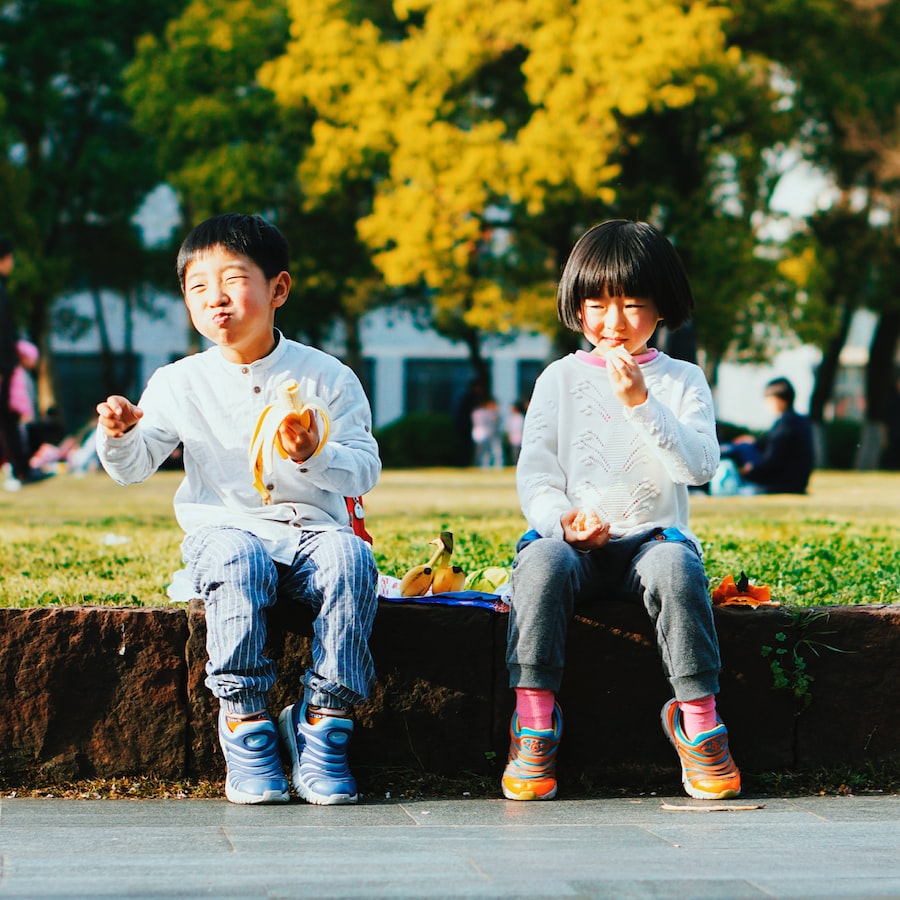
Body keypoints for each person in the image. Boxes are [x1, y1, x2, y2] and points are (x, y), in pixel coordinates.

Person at [96, 214, 381, 806]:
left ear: (278, 289)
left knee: (350, 559)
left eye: (233, 280)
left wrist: (314, 453)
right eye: (198, 287)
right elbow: (133, 467)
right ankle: (246, 723)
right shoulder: (178, 382)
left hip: (310, 531)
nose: (216, 298)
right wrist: (120, 434)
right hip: (222, 530)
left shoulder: (327, 376)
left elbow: (363, 470)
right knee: (237, 556)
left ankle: (324, 725)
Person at [503, 219, 740, 802]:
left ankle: (699, 719)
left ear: (662, 307)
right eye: (598, 304)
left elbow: (700, 468)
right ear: (576, 307)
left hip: (652, 541)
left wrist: (641, 403)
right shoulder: (558, 379)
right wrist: (562, 521)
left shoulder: (683, 380)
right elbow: (535, 471)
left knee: (678, 570)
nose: (614, 323)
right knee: (540, 566)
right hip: (574, 547)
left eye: (633, 305)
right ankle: (534, 720)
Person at [731, 377, 814, 494]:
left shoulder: (785, 424)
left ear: (778, 400)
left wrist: (749, 470)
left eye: (768, 400)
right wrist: (754, 442)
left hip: (780, 485)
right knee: (744, 446)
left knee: (739, 449)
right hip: (795, 483)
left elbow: (773, 461)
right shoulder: (799, 421)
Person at [0, 236, 36, 491]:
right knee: (7, 419)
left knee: (9, 419)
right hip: (3, 367)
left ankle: (21, 469)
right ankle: (20, 470)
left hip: (7, 364)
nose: (11, 264)